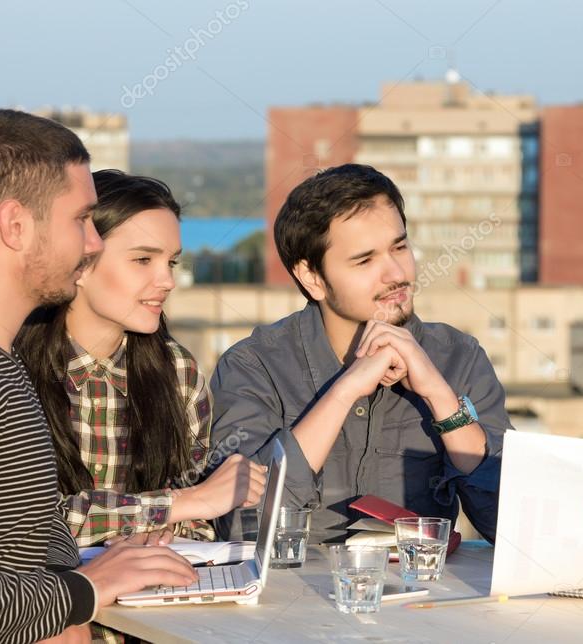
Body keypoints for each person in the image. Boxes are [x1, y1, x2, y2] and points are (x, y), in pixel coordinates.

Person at [0, 110, 200, 643]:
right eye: (81, 219)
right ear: (15, 225)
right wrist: (84, 591)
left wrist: (98, 570)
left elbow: (9, 551)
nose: (93, 242)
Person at [209, 163, 510, 544]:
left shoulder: (458, 357)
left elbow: (512, 529)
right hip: (295, 600)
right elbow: (244, 528)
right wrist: (343, 392)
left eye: (400, 247)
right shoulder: (254, 367)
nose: (395, 273)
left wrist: (441, 399)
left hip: (424, 600)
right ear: (312, 278)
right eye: (365, 260)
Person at [16, 169, 266, 551]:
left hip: (152, 601)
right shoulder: (8, 368)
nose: (167, 281)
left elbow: (198, 522)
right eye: (143, 260)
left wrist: (176, 516)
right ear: (79, 264)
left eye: (172, 263)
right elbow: (24, 526)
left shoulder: (178, 370)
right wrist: (178, 506)